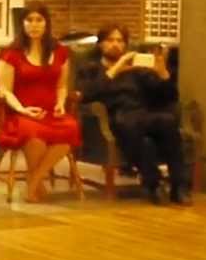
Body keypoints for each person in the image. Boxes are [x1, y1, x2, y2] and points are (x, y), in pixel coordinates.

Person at [76, 24, 191, 205]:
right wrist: (118, 67)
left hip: (141, 115)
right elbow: (88, 94)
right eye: (110, 40)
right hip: (115, 118)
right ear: (100, 44)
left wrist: (162, 73)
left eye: (120, 41)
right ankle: (153, 184)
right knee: (137, 134)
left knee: (168, 121)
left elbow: (169, 97)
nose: (115, 45)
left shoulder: (137, 70)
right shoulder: (91, 69)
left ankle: (179, 186)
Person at [0, 2, 80, 202]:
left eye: (39, 20)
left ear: (46, 23)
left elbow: (62, 86)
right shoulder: (11, 53)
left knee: (71, 128)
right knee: (34, 136)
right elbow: (5, 90)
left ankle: (34, 180)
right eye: (29, 20)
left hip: (51, 112)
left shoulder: (60, 51)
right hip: (21, 113)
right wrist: (22, 109)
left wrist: (60, 103)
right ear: (22, 24)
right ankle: (36, 184)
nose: (34, 25)